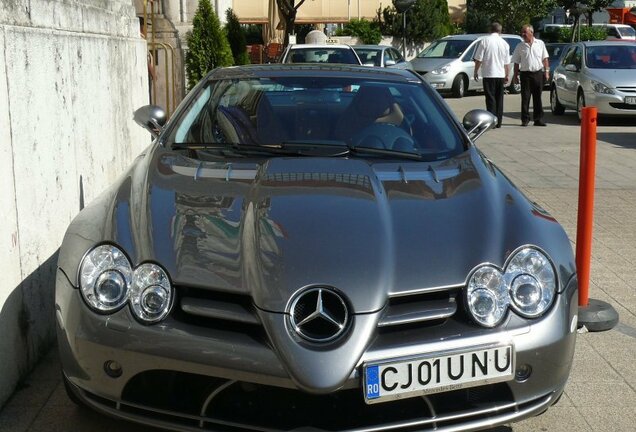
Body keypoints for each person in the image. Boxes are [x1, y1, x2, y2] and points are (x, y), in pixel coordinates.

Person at [473, 22, 510, 128]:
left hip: (489, 73)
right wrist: (507, 74)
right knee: (499, 98)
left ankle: (491, 120)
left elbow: (479, 58)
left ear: (490, 30)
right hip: (500, 74)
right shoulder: (504, 43)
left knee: (490, 98)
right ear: (500, 31)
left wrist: (476, 71)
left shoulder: (485, 41)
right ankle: (499, 121)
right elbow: (506, 63)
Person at [511, 24, 550, 127]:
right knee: (525, 98)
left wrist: (546, 72)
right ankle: (525, 119)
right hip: (525, 75)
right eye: (522, 32)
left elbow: (545, 59)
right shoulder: (520, 46)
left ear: (531, 33)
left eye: (525, 32)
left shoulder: (540, 43)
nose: (523, 34)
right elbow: (516, 62)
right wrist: (515, 76)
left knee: (538, 97)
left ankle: (538, 119)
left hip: (538, 73)